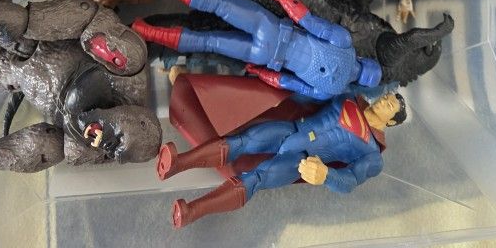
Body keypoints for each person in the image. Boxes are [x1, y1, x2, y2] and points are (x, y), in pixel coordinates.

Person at [132, 0, 383, 101]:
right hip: (265, 57)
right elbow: (285, 83)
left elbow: (306, 19)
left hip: (272, 29)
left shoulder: (344, 43)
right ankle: (146, 32)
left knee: (218, 4)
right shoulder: (330, 91)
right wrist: (259, 72)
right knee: (209, 42)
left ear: (365, 60)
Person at [155, 90, 406, 227]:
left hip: (302, 160)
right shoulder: (349, 97)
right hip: (292, 129)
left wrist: (327, 175)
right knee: (240, 141)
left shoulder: (372, 154)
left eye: (389, 105)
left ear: (392, 122)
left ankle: (192, 211)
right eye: (387, 97)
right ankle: (178, 163)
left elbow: (349, 181)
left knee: (255, 179)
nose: (383, 100)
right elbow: (309, 96)